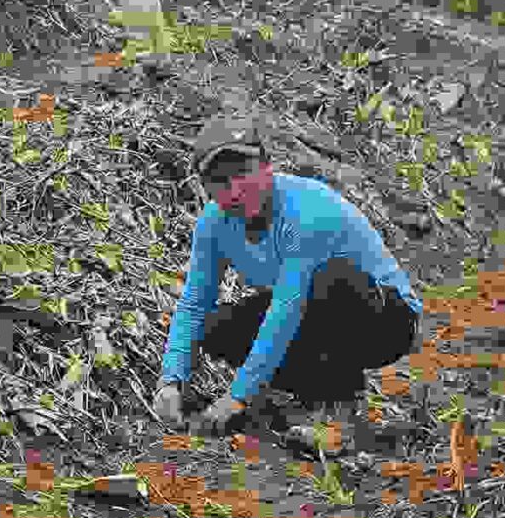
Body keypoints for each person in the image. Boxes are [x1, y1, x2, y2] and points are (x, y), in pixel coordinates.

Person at [152, 119, 424, 435]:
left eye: (243, 173)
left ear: (267, 167)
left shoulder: (304, 212)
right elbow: (195, 304)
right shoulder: (213, 225)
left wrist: (237, 396)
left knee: (329, 282)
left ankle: (341, 413)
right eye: (221, 182)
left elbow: (287, 309)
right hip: (310, 308)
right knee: (216, 326)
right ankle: (305, 395)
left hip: (387, 319)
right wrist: (170, 381)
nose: (236, 190)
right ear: (206, 188)